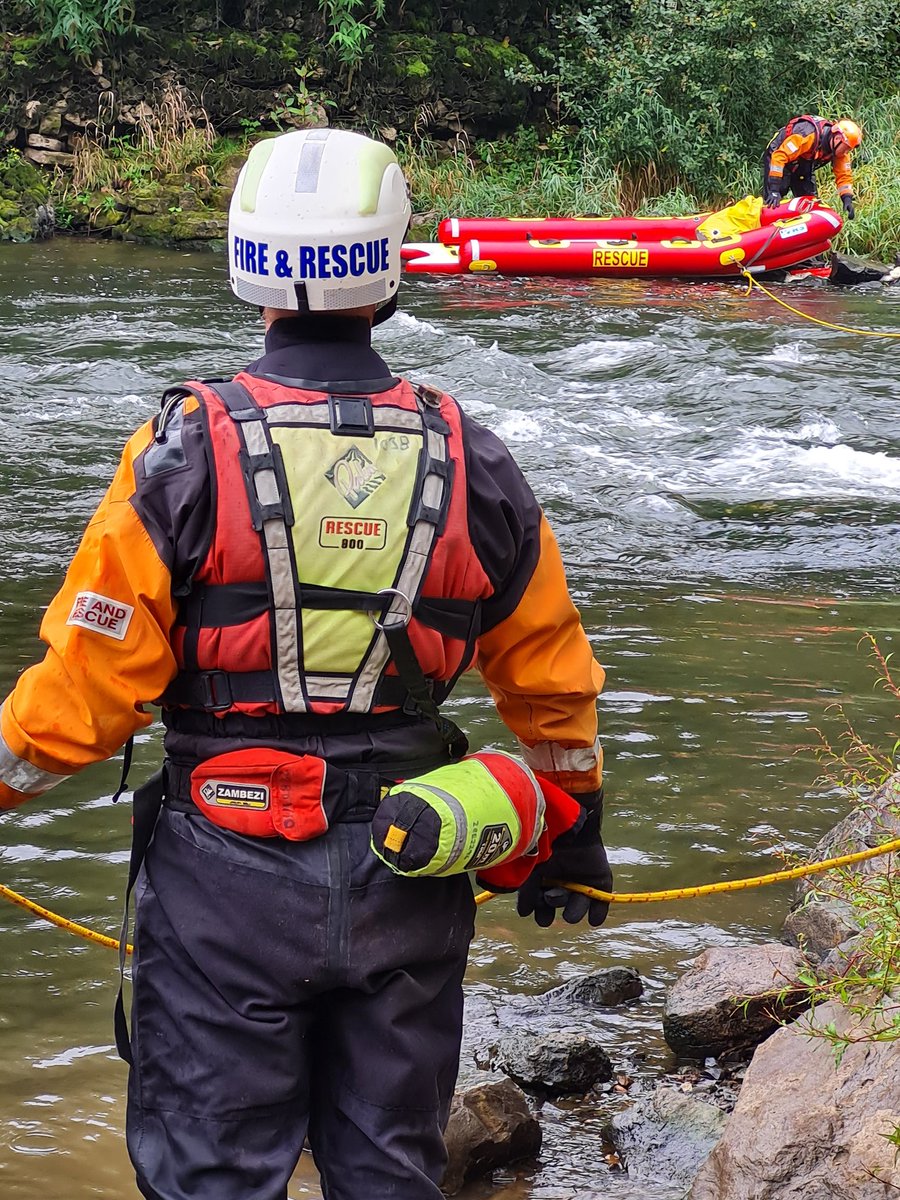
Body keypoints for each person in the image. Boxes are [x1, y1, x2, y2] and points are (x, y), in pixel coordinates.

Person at [0, 128, 611, 1200]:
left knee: (213, 1175)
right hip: (413, 865)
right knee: (389, 1168)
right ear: (386, 267)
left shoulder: (182, 453)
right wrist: (575, 827)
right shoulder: (472, 453)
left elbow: (84, 696)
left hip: (224, 878)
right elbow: (550, 676)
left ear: (251, 265)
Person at [762, 115, 862, 219]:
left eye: (849, 150)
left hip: (803, 162)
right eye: (845, 148)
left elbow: (844, 175)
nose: (846, 152)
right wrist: (774, 189)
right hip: (778, 155)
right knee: (775, 197)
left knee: (810, 201)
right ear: (837, 138)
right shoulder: (808, 135)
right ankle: (763, 221)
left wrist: (847, 199)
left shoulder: (840, 150)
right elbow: (779, 156)